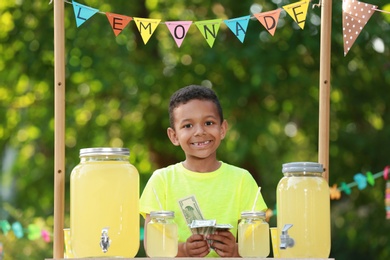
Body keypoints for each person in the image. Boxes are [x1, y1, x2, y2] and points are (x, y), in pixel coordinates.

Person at [139, 85, 267, 257]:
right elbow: (152, 246)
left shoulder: (242, 179)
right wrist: (183, 250)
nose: (200, 132)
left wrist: (236, 250)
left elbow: (258, 247)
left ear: (222, 129)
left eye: (208, 123)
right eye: (188, 125)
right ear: (174, 136)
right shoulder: (161, 180)